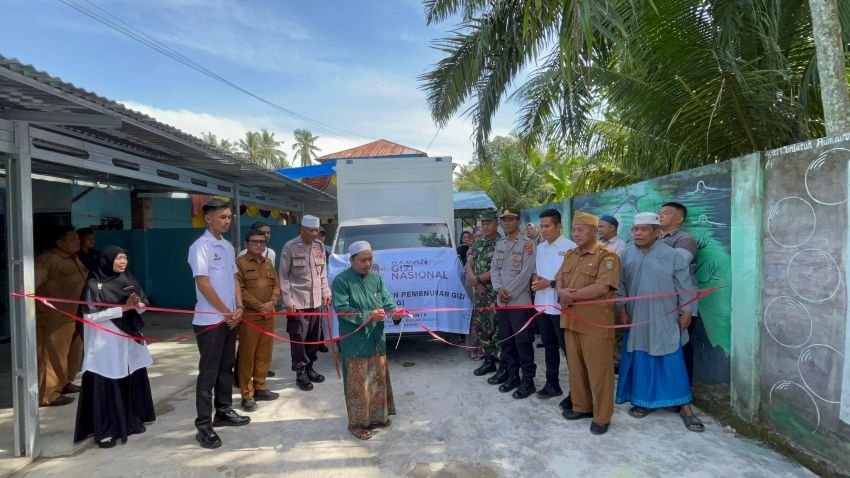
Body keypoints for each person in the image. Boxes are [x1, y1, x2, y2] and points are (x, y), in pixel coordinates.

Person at [615, 212, 705, 432]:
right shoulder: (625, 255)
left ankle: (685, 406)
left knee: (672, 359)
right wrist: (622, 309)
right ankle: (644, 401)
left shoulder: (673, 255)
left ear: (657, 232)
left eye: (644, 229)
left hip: (665, 317)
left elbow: (685, 287)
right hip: (637, 318)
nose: (638, 233)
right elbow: (621, 285)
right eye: (635, 229)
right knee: (641, 357)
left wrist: (686, 312)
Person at [74, 246, 155, 448]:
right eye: (118, 258)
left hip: (128, 340)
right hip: (105, 344)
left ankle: (131, 420)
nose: (122, 262)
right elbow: (91, 316)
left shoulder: (129, 279)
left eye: (125, 258)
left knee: (129, 377)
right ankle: (106, 429)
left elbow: (144, 303)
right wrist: (122, 309)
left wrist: (137, 306)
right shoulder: (94, 285)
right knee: (107, 383)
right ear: (106, 260)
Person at [188, 198, 250, 450]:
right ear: (209, 219)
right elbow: (203, 283)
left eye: (229, 217)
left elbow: (234, 278)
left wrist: (239, 307)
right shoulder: (200, 246)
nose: (227, 221)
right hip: (209, 321)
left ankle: (223, 411)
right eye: (223, 217)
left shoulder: (226, 246)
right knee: (209, 373)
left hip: (229, 318)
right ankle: (203, 426)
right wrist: (225, 311)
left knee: (226, 367)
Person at [332, 241, 405, 440]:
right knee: (358, 384)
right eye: (362, 260)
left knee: (377, 379)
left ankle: (378, 417)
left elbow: (387, 301)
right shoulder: (341, 281)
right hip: (354, 341)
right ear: (352, 260)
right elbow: (342, 310)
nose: (367, 264)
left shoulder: (377, 279)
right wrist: (368, 315)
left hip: (376, 338)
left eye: (370, 259)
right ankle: (357, 424)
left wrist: (395, 312)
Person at [556, 212, 620, 435]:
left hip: (595, 323)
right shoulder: (571, 254)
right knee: (575, 369)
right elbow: (560, 279)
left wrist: (570, 295)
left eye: (581, 229)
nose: (576, 233)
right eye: (574, 229)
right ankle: (582, 407)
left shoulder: (607, 256)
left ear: (594, 231)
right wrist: (562, 291)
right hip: (571, 320)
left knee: (599, 371)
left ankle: (602, 416)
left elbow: (603, 287)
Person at [34, 226, 89, 407]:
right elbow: (31, 285)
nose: (78, 242)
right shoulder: (49, 260)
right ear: (60, 243)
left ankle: (64, 383)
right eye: (72, 239)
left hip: (75, 314)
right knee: (52, 355)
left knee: (72, 353)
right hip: (54, 317)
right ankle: (48, 394)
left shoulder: (73, 258)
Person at [488, 208, 537, 399]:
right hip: (502, 300)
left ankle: (528, 381)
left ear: (518, 221)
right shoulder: (500, 244)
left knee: (522, 341)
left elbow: (526, 272)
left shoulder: (528, 244)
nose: (506, 223)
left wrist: (510, 291)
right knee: (507, 340)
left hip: (519, 300)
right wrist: (499, 288)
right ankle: (512, 375)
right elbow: (494, 269)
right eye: (503, 220)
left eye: (510, 219)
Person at [279, 214, 331, 391]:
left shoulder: (319, 246)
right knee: (298, 338)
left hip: (316, 301)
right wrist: (288, 300)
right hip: (297, 302)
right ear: (302, 229)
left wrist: (326, 291)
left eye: (317, 230)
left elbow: (322, 273)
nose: (314, 234)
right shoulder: (290, 247)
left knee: (314, 338)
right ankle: (300, 373)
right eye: (311, 230)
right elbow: (284, 276)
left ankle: (310, 368)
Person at [530, 209, 575, 400]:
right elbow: (535, 272)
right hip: (542, 305)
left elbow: (574, 281)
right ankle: (552, 383)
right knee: (549, 346)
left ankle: (577, 391)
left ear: (559, 226)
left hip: (561, 308)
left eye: (547, 226)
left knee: (569, 349)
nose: (544, 230)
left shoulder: (571, 248)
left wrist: (550, 283)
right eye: (542, 226)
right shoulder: (539, 248)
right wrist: (536, 280)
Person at [236, 229, 281, 412]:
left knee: (264, 353)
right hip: (250, 316)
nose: (259, 245)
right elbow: (239, 289)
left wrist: (272, 301)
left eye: (262, 242)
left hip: (268, 315)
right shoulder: (240, 263)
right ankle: (247, 395)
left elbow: (276, 285)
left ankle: (261, 387)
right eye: (255, 242)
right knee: (247, 356)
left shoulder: (268, 263)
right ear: (247, 244)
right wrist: (259, 305)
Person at [658, 201, 699, 385]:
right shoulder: (655, 239)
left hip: (681, 304)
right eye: (659, 212)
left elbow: (675, 266)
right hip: (658, 304)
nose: (660, 215)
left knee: (681, 346)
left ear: (679, 218)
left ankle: (683, 391)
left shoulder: (685, 239)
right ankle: (665, 389)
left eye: (665, 213)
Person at [466, 210, 501, 373]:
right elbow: (469, 263)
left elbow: (498, 269)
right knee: (482, 327)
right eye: (483, 223)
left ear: (497, 224)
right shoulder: (478, 243)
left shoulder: (501, 244)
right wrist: (474, 280)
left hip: (494, 294)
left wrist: (478, 279)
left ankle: (498, 360)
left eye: (489, 223)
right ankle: (488, 360)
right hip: (480, 294)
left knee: (496, 328)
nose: (485, 226)